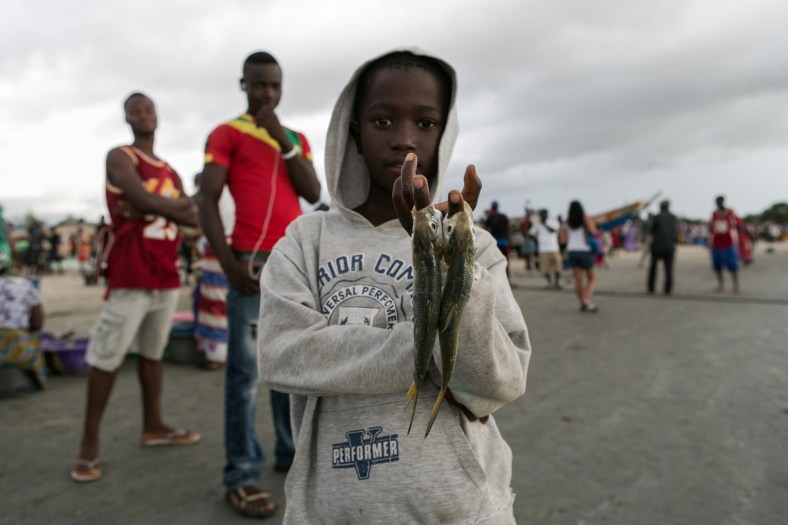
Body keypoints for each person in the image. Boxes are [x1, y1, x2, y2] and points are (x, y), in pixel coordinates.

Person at [256, 48, 531, 524]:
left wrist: (448, 261)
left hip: (461, 510)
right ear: (355, 132)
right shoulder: (305, 241)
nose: (405, 139)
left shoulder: (477, 246)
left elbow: (496, 383)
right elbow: (282, 354)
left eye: (425, 123)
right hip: (333, 509)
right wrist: (424, 349)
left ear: (444, 133)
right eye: (383, 120)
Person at [195, 50, 321, 518]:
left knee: (289, 367)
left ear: (282, 87)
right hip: (247, 262)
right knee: (246, 375)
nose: (266, 93)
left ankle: (289, 453)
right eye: (258, 85)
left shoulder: (295, 138)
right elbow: (206, 199)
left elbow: (311, 193)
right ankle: (241, 475)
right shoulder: (225, 133)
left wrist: (280, 139)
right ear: (243, 85)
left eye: (274, 86)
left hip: (293, 262)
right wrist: (227, 263)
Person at [71, 92, 201, 484]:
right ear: (127, 117)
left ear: (158, 117)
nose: (144, 114)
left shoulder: (168, 169)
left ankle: (154, 424)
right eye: (136, 109)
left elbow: (188, 213)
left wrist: (147, 206)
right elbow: (152, 200)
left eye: (149, 108)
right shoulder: (121, 157)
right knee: (107, 355)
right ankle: (88, 446)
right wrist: (156, 205)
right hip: (131, 271)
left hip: (165, 271)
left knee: (152, 353)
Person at [0, 256, 46, 389]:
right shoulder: (24, 284)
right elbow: (37, 324)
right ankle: (38, 382)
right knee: (35, 339)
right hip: (19, 348)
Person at [565, 200, 599, 312]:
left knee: (578, 280)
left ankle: (582, 302)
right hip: (585, 251)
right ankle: (586, 301)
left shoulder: (567, 222)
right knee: (592, 278)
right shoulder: (586, 220)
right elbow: (594, 232)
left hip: (572, 251)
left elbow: (563, 239)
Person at [709, 195, 741, 293]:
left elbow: (737, 224)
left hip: (729, 242)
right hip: (717, 242)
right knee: (717, 264)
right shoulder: (714, 214)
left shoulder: (730, 213)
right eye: (716, 202)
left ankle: (736, 286)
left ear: (722, 202)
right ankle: (720, 285)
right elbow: (711, 227)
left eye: (719, 202)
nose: (717, 204)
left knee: (732, 265)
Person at [648, 200, 679, 295]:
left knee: (653, 268)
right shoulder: (673, 218)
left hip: (657, 246)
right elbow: (675, 232)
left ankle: (651, 288)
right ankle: (667, 289)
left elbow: (652, 230)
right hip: (669, 247)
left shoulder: (657, 217)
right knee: (668, 270)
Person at [530, 208, 564, 289]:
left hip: (554, 248)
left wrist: (544, 224)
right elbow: (530, 233)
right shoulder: (537, 223)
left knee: (557, 266)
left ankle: (557, 283)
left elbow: (553, 230)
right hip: (543, 249)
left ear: (546, 214)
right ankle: (549, 283)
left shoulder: (553, 221)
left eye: (542, 215)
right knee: (544, 268)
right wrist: (537, 239)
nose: (541, 216)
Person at [485, 200, 512, 281]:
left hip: (495, 243)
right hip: (504, 242)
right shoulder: (503, 216)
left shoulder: (490, 218)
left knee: (495, 261)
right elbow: (508, 228)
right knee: (506, 261)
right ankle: (507, 280)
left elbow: (486, 229)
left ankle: (497, 279)